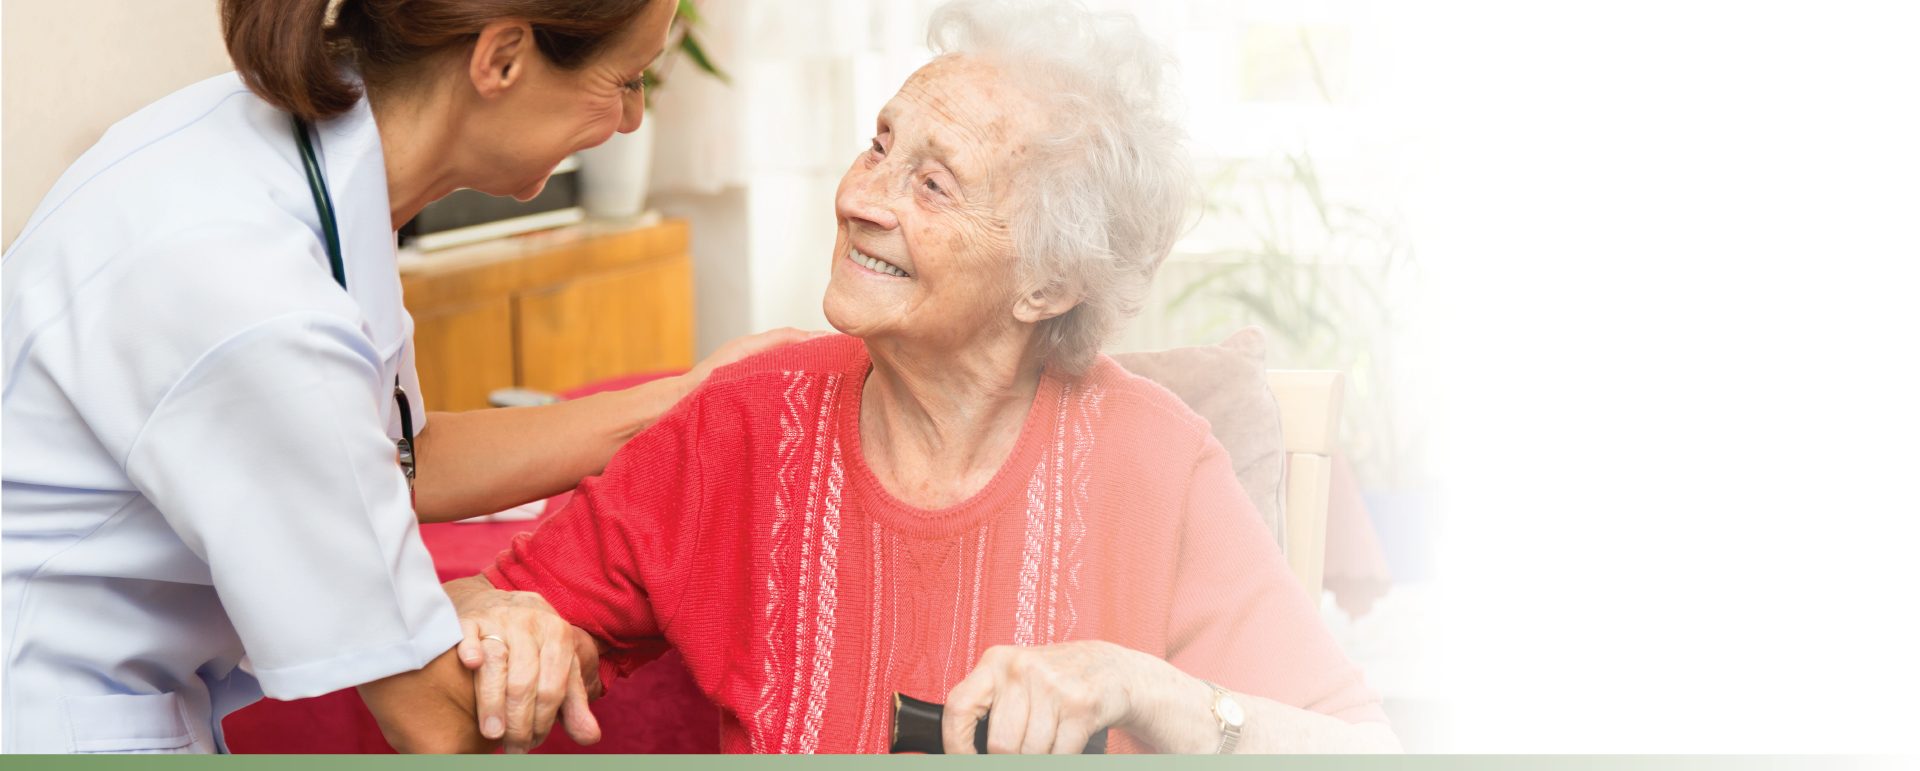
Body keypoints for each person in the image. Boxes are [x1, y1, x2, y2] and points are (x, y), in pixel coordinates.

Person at [374, 0, 1403, 754]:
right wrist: (509, 624)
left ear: (1047, 284)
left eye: (931, 182)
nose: (863, 197)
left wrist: (1142, 687)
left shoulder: (1154, 460)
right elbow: (485, 625)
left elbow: (1367, 750)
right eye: (878, 146)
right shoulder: (746, 424)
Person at [1, 0, 796, 754]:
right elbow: (437, 717)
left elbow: (405, 455)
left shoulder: (285, 157)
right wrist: (498, 609)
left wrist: (690, 398)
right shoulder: (253, 297)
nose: (631, 120)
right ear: (503, 58)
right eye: (625, 83)